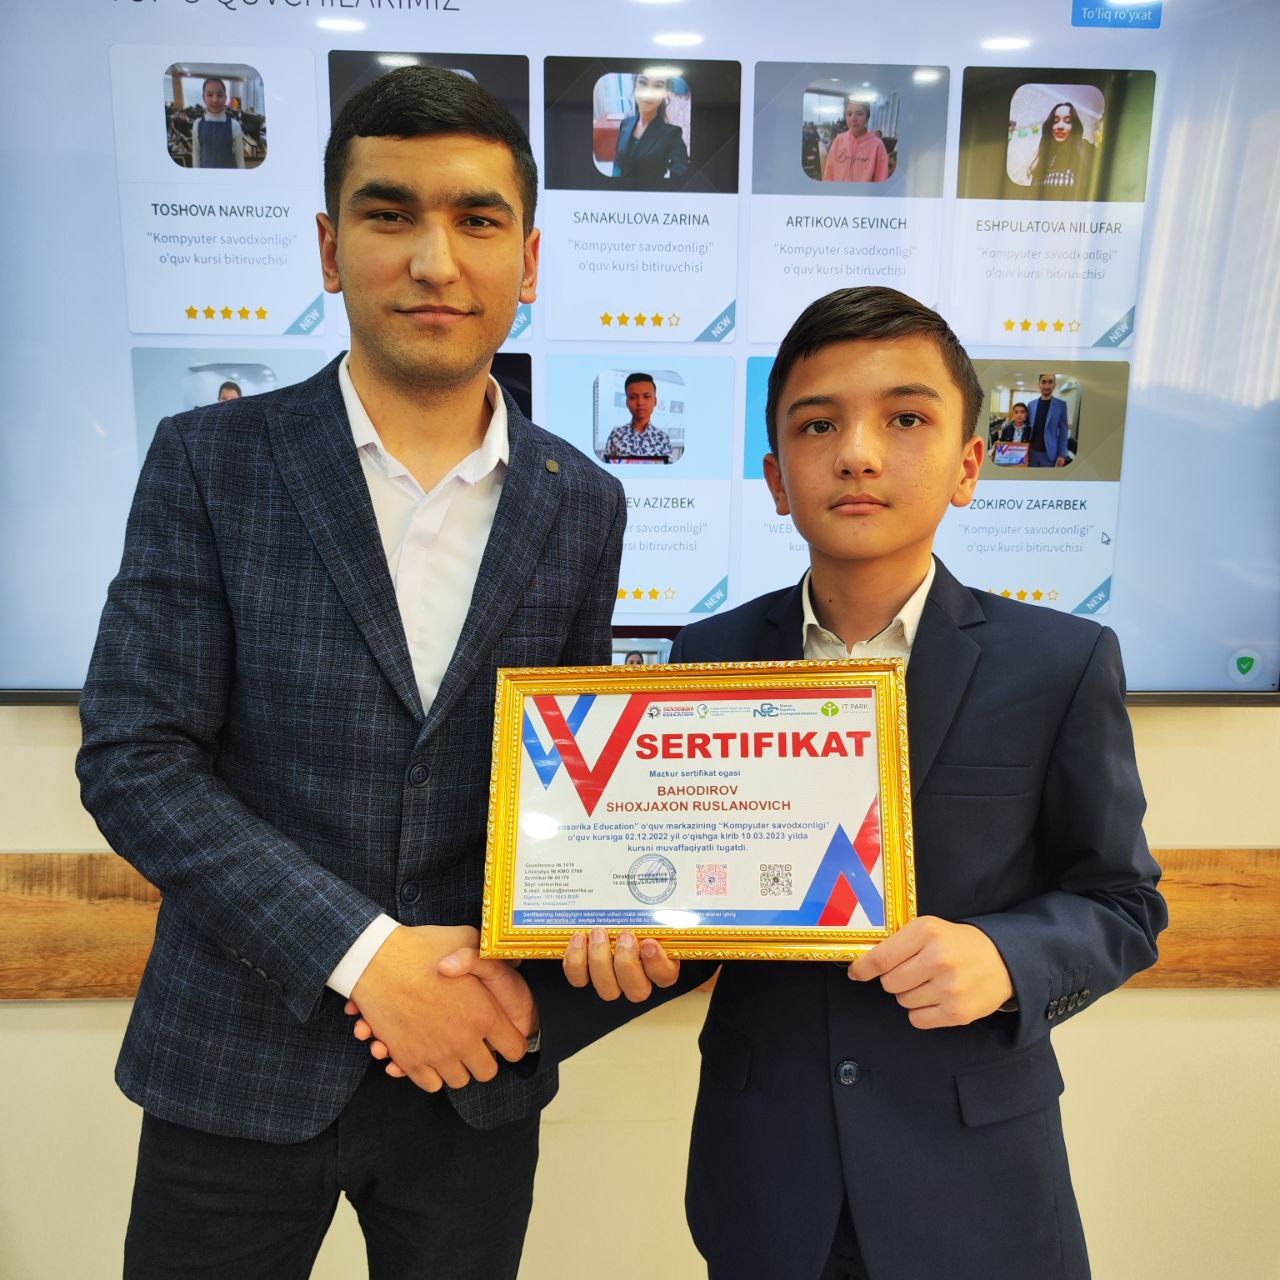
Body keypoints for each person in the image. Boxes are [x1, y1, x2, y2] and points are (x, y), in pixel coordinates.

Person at [386, 287, 1164, 1279]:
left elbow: (1121, 900)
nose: (858, 453)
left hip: (976, 1185)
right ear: (775, 478)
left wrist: (1004, 958)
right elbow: (686, 904)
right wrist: (577, 968)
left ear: (970, 464)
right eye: (817, 424)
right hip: (766, 1179)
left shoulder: (1059, 661)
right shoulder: (709, 656)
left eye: (906, 419)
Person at [77, 64, 625, 1280]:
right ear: (330, 249)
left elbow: (561, 783)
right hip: (237, 1058)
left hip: (474, 1072)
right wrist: (365, 953)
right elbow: (134, 758)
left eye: (476, 219)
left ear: (528, 259)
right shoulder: (210, 459)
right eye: (390, 215)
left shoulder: (583, 500)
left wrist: (598, 929)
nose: (434, 260)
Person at [612, 70, 690, 188]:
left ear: (664, 94)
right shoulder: (625, 124)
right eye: (643, 83)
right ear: (635, 87)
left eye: (658, 86)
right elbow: (618, 162)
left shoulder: (672, 134)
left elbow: (681, 171)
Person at [1027, 101, 1096, 200]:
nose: (1060, 126)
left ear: (1074, 126)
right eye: (1055, 121)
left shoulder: (1084, 147)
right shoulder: (1045, 152)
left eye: (1067, 121)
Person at [603, 372, 673, 461]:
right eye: (633, 397)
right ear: (627, 402)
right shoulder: (616, 435)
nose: (640, 402)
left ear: (655, 401)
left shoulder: (663, 438)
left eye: (646, 396)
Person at [822, 100, 889, 183]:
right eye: (849, 114)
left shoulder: (877, 145)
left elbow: (881, 181)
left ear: (867, 118)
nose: (853, 119)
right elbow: (829, 174)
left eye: (859, 114)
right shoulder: (838, 141)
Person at [191, 76, 246, 170]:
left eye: (220, 95)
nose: (215, 100)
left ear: (225, 98)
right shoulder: (197, 124)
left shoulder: (234, 125)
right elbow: (196, 155)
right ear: (203, 97)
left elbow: (240, 159)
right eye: (210, 95)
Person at [1028, 372, 1070, 467]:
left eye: (1050, 382)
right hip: (1031, 453)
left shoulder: (1061, 405)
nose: (1046, 386)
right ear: (1039, 384)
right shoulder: (1031, 405)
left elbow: (1064, 432)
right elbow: (1026, 426)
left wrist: (1061, 455)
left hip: (1049, 454)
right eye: (1044, 382)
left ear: (1054, 385)